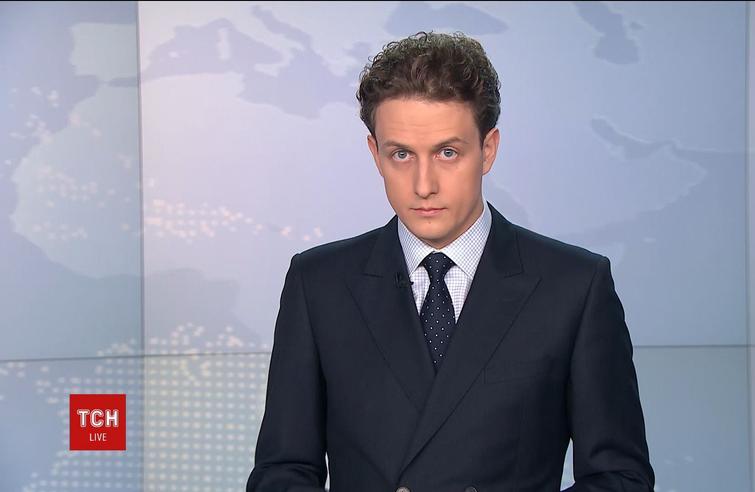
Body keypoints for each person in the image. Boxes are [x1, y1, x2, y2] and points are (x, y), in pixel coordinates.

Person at [247, 31, 654, 492]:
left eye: (447, 153)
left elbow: (620, 478)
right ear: (375, 154)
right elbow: (281, 472)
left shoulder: (574, 286)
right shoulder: (319, 283)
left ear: (488, 149)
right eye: (401, 154)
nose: (424, 185)